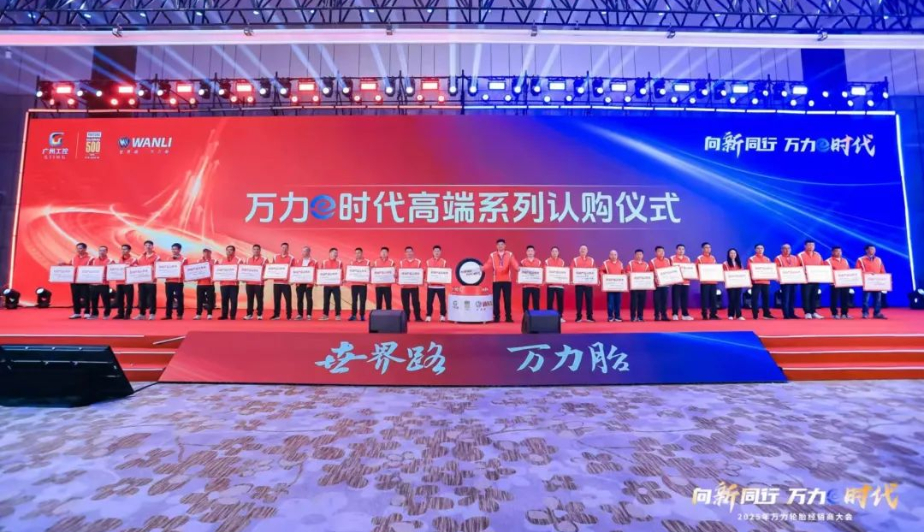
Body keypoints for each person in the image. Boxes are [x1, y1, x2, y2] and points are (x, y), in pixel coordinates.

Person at [482, 239, 517, 323]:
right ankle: (496, 317)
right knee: (496, 299)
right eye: (499, 245)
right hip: (496, 280)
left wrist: (517, 268)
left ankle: (508, 317)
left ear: (505, 246)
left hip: (507, 280)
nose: (500, 246)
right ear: (496, 246)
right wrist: (482, 268)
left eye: (502, 244)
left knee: (507, 299)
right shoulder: (492, 255)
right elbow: (488, 263)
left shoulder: (510, 254)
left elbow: (514, 262)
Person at [857, 244, 887, 319]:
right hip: (867, 282)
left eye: (874, 249)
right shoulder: (860, 259)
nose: (873, 251)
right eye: (871, 249)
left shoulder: (878, 259)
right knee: (866, 299)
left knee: (878, 299)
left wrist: (885, 280)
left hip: (877, 282)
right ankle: (865, 313)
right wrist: (868, 274)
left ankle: (877, 313)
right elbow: (858, 271)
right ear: (866, 250)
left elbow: (882, 270)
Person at [63, 242, 92, 319]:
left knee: (86, 297)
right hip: (74, 281)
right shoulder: (73, 258)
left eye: (80, 248)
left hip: (85, 281)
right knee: (75, 297)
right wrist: (63, 264)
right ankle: (77, 313)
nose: (79, 250)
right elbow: (70, 267)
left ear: (85, 249)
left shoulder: (90, 259)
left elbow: (93, 269)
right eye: (78, 248)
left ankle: (87, 312)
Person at [798, 239, 825, 319]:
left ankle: (813, 312)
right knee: (806, 296)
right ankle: (807, 312)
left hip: (815, 279)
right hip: (806, 280)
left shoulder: (818, 255)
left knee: (814, 296)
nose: (811, 247)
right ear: (805, 246)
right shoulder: (800, 255)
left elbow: (822, 266)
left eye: (812, 245)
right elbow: (797, 267)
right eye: (809, 245)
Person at [748, 244, 775, 320]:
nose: (760, 250)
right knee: (755, 298)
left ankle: (766, 314)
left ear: (763, 250)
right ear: (755, 250)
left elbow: (770, 270)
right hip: (756, 282)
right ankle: (755, 314)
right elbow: (750, 270)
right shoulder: (751, 259)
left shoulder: (767, 259)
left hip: (766, 281)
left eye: (761, 248)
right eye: (758, 248)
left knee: (766, 298)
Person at [134, 240, 160, 320]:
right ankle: (142, 314)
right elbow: (136, 266)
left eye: (149, 245)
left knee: (152, 298)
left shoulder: (157, 257)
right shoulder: (140, 256)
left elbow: (159, 268)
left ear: (152, 247)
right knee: (142, 298)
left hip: (151, 281)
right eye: (146, 245)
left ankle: (152, 314)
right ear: (144, 247)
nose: (148, 247)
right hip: (142, 280)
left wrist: (152, 269)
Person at [162, 243, 187, 320]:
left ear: (179, 250)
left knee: (179, 298)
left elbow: (185, 270)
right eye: (172, 249)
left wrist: (180, 272)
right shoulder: (168, 258)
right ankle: (168, 315)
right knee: (169, 298)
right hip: (169, 282)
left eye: (175, 249)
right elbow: (164, 269)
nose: (174, 250)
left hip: (178, 282)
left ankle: (180, 314)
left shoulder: (184, 259)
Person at [88, 245, 113, 320]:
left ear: (106, 251)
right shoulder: (93, 260)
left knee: (106, 299)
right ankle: (94, 314)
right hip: (94, 283)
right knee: (93, 299)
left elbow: (113, 272)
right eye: (100, 250)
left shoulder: (111, 261)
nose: (102, 252)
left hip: (104, 284)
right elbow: (88, 270)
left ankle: (106, 314)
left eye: (103, 250)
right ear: (98, 251)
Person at [271, 243, 295, 320]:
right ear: (281, 248)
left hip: (286, 283)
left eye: (286, 248)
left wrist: (292, 280)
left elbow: (293, 270)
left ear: (288, 249)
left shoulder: (291, 258)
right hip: (276, 282)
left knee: (288, 300)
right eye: (283, 247)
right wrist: (270, 275)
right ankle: (276, 315)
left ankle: (289, 315)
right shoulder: (275, 256)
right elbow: (272, 267)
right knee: (276, 299)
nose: (284, 249)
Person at [399, 246, 423, 322]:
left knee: (416, 302)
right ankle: (406, 317)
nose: (409, 253)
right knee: (405, 303)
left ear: (413, 252)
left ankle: (417, 317)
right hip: (404, 286)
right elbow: (398, 273)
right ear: (405, 253)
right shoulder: (401, 262)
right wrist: (396, 276)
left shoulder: (418, 262)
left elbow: (421, 273)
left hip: (414, 286)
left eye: (410, 251)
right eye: (407, 252)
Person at [425, 245, 449, 322]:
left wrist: (446, 279)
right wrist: (425, 279)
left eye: (438, 251)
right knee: (429, 301)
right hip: (431, 286)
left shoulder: (444, 262)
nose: (437, 252)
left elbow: (447, 273)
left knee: (442, 301)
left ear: (440, 252)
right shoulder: (428, 261)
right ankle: (428, 315)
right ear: (433, 252)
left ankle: (442, 315)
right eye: (435, 251)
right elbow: (426, 272)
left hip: (441, 286)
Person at [572, 245, 596, 322]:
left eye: (584, 249)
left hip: (588, 284)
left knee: (589, 300)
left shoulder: (591, 260)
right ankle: (578, 316)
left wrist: (596, 280)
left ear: (587, 251)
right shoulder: (575, 260)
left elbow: (594, 271)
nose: (583, 250)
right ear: (579, 250)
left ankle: (589, 316)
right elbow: (572, 269)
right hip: (579, 284)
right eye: (581, 249)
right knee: (579, 300)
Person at [319, 248, 344, 321]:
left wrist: (342, 279)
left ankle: (338, 315)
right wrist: (320, 281)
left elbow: (342, 272)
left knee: (337, 300)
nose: (335, 254)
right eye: (334, 252)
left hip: (336, 285)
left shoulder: (339, 262)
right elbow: (321, 272)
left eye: (336, 253)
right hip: (327, 285)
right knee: (326, 300)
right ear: (330, 253)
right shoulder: (324, 262)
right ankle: (325, 315)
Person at [827, 246, 852, 319]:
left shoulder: (845, 260)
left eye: (840, 251)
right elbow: (827, 273)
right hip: (834, 283)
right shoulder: (828, 261)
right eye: (836, 251)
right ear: (832, 252)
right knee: (834, 299)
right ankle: (834, 313)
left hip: (845, 283)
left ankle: (844, 313)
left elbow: (848, 271)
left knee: (845, 298)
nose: (838, 253)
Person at [219, 245, 243, 320]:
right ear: (226, 251)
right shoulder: (221, 260)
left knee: (234, 300)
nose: (229, 251)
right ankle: (224, 315)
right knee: (224, 300)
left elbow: (241, 271)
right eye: (228, 250)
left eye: (231, 250)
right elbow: (218, 270)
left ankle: (232, 315)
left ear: (234, 251)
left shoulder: (239, 260)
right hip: (224, 284)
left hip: (234, 284)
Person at [244, 244, 267, 320]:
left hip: (259, 283)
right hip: (249, 283)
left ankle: (259, 314)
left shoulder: (264, 259)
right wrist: (243, 277)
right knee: (249, 299)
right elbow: (244, 270)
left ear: (260, 250)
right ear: (252, 250)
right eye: (254, 249)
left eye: (257, 249)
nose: (256, 250)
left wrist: (265, 277)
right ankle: (249, 314)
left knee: (259, 299)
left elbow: (267, 270)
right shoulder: (248, 259)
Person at [775, 244, 799, 319]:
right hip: (784, 281)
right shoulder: (778, 258)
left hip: (793, 281)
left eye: (788, 248)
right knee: (786, 298)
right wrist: (778, 278)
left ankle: (792, 313)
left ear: (790, 249)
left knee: (792, 298)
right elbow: (776, 269)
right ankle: (786, 314)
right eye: (785, 248)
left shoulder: (794, 258)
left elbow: (798, 269)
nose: (787, 250)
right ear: (781, 250)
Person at [696, 242, 719, 320]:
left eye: (709, 247)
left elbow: (716, 268)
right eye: (706, 247)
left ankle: (713, 314)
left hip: (713, 281)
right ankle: (704, 314)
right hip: (704, 282)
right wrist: (700, 278)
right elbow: (697, 269)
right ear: (702, 249)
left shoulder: (713, 258)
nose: (708, 249)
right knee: (704, 298)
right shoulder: (699, 258)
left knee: (713, 298)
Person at [671, 244, 693, 321]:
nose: (681, 251)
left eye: (683, 249)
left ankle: (685, 314)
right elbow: (670, 270)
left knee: (685, 299)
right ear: (676, 250)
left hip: (686, 282)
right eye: (679, 249)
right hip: (676, 282)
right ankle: (675, 314)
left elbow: (690, 269)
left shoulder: (687, 259)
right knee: (675, 299)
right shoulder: (672, 258)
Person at [114, 244, 136, 320]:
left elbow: (135, 270)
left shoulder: (133, 259)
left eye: (125, 249)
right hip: (119, 282)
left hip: (128, 282)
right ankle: (120, 313)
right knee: (119, 298)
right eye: (122, 249)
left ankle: (128, 314)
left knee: (129, 299)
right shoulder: (118, 259)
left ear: (129, 250)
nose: (123, 250)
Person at [601, 249, 624, 322]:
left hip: (618, 286)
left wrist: (625, 276)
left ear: (617, 256)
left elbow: (622, 272)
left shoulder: (620, 263)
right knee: (610, 302)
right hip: (610, 286)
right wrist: (604, 275)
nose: (613, 256)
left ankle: (617, 316)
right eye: (612, 254)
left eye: (615, 254)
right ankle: (610, 316)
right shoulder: (605, 263)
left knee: (618, 302)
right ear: (609, 255)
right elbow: (601, 271)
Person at [348, 247, 371, 322]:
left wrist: (370, 279)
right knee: (354, 300)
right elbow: (350, 273)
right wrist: (347, 278)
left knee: (362, 300)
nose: (357, 254)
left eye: (359, 253)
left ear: (362, 253)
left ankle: (362, 315)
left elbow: (369, 272)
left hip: (363, 285)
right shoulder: (352, 262)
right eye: (356, 253)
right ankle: (353, 315)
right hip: (354, 284)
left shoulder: (367, 262)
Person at [294, 246, 317, 320]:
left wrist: (315, 281)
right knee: (299, 299)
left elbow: (316, 272)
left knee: (309, 298)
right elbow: (295, 271)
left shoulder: (314, 261)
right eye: (303, 251)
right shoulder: (298, 261)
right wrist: (293, 280)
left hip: (309, 283)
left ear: (309, 252)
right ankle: (300, 314)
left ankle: (309, 314)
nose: (303, 253)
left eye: (305, 251)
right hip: (299, 283)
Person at [627, 249, 650, 322]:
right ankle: (633, 316)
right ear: (635, 255)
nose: (639, 256)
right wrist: (628, 274)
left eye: (640, 254)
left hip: (643, 287)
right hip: (634, 287)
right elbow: (627, 272)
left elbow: (649, 275)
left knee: (642, 302)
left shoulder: (646, 264)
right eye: (637, 254)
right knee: (633, 302)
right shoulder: (630, 263)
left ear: (642, 255)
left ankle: (640, 316)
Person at [545, 246, 566, 322]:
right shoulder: (547, 261)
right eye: (553, 251)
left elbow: (564, 273)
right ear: (551, 253)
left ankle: (560, 316)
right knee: (550, 301)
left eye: (556, 251)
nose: (554, 253)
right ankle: (549, 316)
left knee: (560, 301)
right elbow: (545, 271)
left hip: (560, 285)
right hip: (550, 285)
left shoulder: (562, 261)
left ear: (558, 253)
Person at [650, 245, 672, 322]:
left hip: (665, 284)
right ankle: (656, 315)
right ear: (656, 253)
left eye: (663, 251)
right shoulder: (652, 261)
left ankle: (664, 315)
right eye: (659, 251)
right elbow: (650, 273)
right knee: (657, 300)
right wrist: (654, 278)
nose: (661, 252)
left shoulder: (667, 260)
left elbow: (670, 271)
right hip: (657, 285)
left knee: (664, 300)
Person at [194, 248, 217, 320]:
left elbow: (217, 271)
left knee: (210, 300)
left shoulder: (214, 261)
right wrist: (193, 277)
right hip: (200, 284)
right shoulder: (198, 261)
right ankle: (198, 314)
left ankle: (209, 314)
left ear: (210, 253)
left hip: (210, 284)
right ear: (203, 253)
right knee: (199, 300)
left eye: (208, 252)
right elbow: (195, 271)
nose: (206, 254)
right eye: (204, 252)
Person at [518, 245, 542, 313]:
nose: (530, 252)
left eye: (532, 251)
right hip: (526, 286)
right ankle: (525, 315)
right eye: (529, 251)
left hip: (536, 286)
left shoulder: (539, 262)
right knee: (525, 302)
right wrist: (519, 279)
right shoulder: (522, 262)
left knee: (536, 302)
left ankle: (536, 316)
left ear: (534, 252)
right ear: (526, 252)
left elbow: (541, 273)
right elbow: (520, 272)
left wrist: (541, 280)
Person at [723, 248, 745, 320]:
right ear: (729, 254)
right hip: (730, 284)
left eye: (734, 253)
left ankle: (739, 315)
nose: (733, 254)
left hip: (738, 284)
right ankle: (731, 314)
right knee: (731, 299)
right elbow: (724, 273)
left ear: (736, 254)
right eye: (731, 253)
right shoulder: (725, 263)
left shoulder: (739, 263)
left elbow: (742, 273)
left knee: (738, 299)